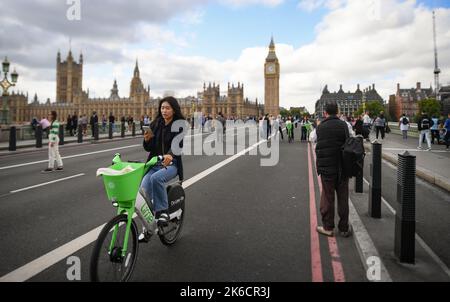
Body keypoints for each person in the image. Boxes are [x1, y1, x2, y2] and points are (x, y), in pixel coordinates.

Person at [140, 96, 185, 226]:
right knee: (143, 191)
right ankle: (148, 225)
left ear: (174, 110)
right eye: (162, 108)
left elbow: (178, 144)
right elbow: (148, 148)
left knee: (156, 179)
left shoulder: (179, 125)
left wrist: (170, 155)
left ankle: (163, 211)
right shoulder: (155, 124)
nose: (164, 111)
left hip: (171, 164)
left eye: (167, 108)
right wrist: (147, 140)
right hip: (155, 163)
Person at [315, 102, 351, 238]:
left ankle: (328, 227)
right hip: (342, 168)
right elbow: (348, 144)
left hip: (326, 168)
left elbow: (316, 143)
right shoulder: (343, 125)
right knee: (343, 198)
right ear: (338, 111)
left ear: (325, 113)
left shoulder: (321, 127)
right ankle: (344, 228)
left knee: (327, 198)